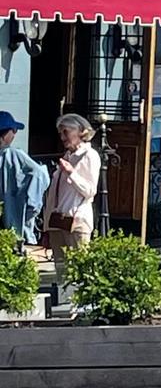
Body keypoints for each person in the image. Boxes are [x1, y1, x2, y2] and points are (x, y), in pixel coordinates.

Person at [41, 113, 101, 274]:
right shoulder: (68, 156)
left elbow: (90, 191)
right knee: (62, 273)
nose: (62, 137)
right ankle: (63, 300)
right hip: (58, 222)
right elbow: (53, 195)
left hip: (77, 222)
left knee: (79, 272)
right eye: (60, 133)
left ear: (80, 131)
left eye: (65, 132)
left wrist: (71, 173)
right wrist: (47, 227)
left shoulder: (89, 156)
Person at [0, 110, 50, 248]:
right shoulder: (15, 155)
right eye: (14, 130)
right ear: (6, 134)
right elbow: (39, 175)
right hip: (15, 217)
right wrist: (32, 205)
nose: (15, 134)